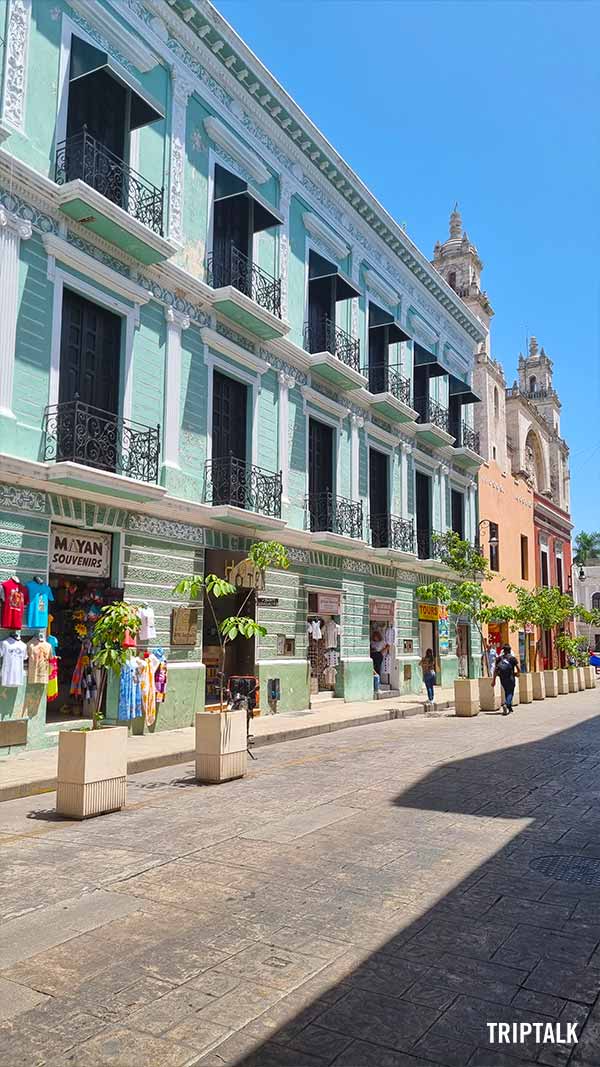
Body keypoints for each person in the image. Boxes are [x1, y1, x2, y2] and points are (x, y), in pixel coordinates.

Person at [492, 643, 520, 715]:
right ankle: (506, 704)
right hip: (511, 678)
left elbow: (495, 670)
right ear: (510, 650)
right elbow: (518, 668)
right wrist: (517, 673)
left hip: (502, 678)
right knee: (510, 692)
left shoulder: (499, 658)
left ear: (503, 651)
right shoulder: (512, 658)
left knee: (507, 691)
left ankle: (509, 707)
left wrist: (494, 680)